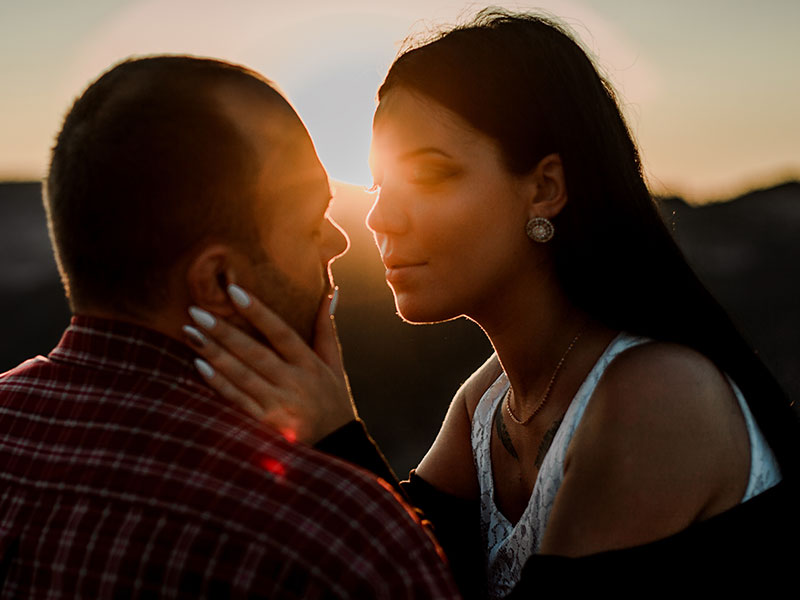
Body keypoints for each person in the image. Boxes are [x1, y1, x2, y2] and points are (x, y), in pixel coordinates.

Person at [185, 9, 800, 597]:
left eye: (429, 176)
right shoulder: (487, 404)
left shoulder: (657, 394)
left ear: (545, 189)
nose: (379, 217)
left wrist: (335, 437)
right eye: (377, 185)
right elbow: (411, 564)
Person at [0, 55, 461, 599]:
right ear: (219, 282)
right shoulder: (339, 540)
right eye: (314, 222)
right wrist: (347, 455)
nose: (338, 243)